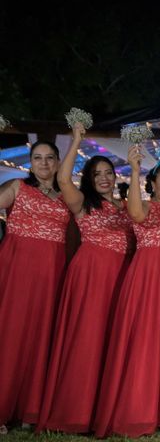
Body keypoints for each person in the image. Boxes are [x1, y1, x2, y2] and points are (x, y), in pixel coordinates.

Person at [37, 124, 135, 434]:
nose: (105, 177)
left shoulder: (125, 207)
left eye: (108, 172)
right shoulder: (82, 203)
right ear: (90, 180)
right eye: (98, 174)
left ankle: (103, 409)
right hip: (91, 274)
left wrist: (136, 167)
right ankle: (73, 411)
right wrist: (77, 139)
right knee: (86, 339)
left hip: (120, 277)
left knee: (111, 342)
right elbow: (63, 178)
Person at [93, 150, 160, 438]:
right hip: (147, 281)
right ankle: (134, 411)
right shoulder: (145, 206)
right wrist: (135, 170)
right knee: (142, 342)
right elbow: (134, 213)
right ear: (152, 183)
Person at [0, 141, 70, 435]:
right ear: (30, 162)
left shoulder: (67, 195)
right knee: (10, 331)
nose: (43, 163)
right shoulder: (17, 186)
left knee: (42, 334)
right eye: (37, 158)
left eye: (49, 158)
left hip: (51, 271)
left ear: (57, 162)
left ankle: (30, 407)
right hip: (17, 267)